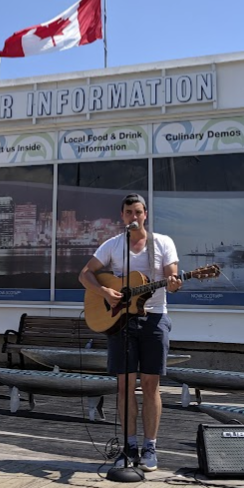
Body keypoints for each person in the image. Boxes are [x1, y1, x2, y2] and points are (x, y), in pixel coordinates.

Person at [79, 193, 181, 471]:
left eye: (138, 212)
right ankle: (129, 446)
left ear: (145, 214)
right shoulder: (113, 245)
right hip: (122, 322)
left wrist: (173, 283)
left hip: (154, 319)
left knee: (150, 384)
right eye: (128, 213)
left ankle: (150, 447)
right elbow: (85, 274)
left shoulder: (163, 242)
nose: (133, 217)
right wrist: (104, 291)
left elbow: (172, 275)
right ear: (122, 216)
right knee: (124, 386)